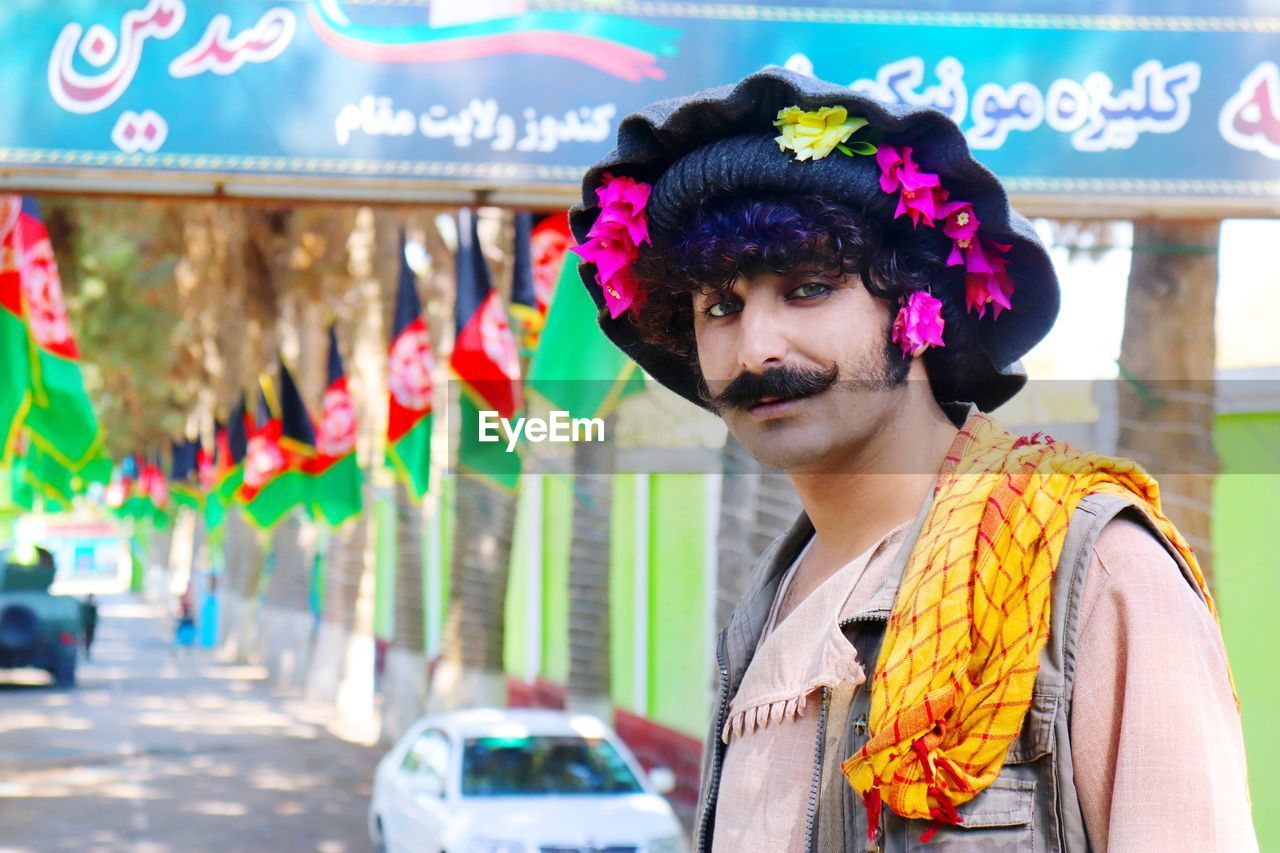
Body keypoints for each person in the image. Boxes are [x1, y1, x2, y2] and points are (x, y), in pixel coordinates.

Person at [568, 67, 1257, 851]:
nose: (756, 347)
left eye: (809, 288)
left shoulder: (1086, 571)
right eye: (720, 307)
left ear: (916, 312)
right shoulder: (763, 609)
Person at [81, 593, 98, 661]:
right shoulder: (86, 606)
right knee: (87, 638)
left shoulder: (92, 606)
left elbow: (95, 617)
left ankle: (87, 650)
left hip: (90, 624)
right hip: (87, 624)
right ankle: (86, 650)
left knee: (88, 638)